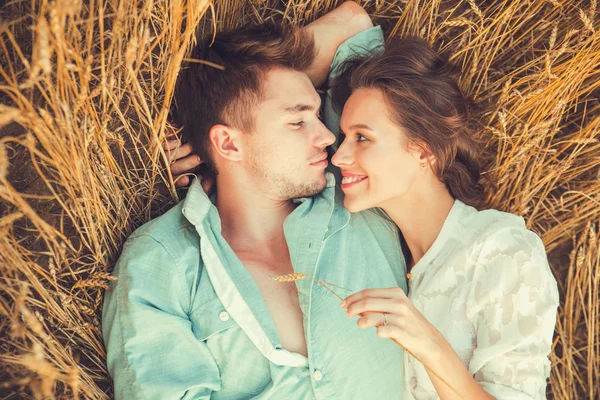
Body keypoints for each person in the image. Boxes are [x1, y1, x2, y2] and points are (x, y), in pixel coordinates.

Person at [102, 3, 409, 400]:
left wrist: (252, 81)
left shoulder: (356, 186)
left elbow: (352, 26)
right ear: (227, 141)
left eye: (317, 115)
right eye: (297, 122)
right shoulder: (162, 261)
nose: (328, 137)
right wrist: (220, 111)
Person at [332, 38, 559, 399]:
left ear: (423, 151)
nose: (339, 156)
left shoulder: (502, 252)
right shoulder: (370, 244)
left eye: (362, 138)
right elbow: (350, 25)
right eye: (343, 136)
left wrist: (430, 345)